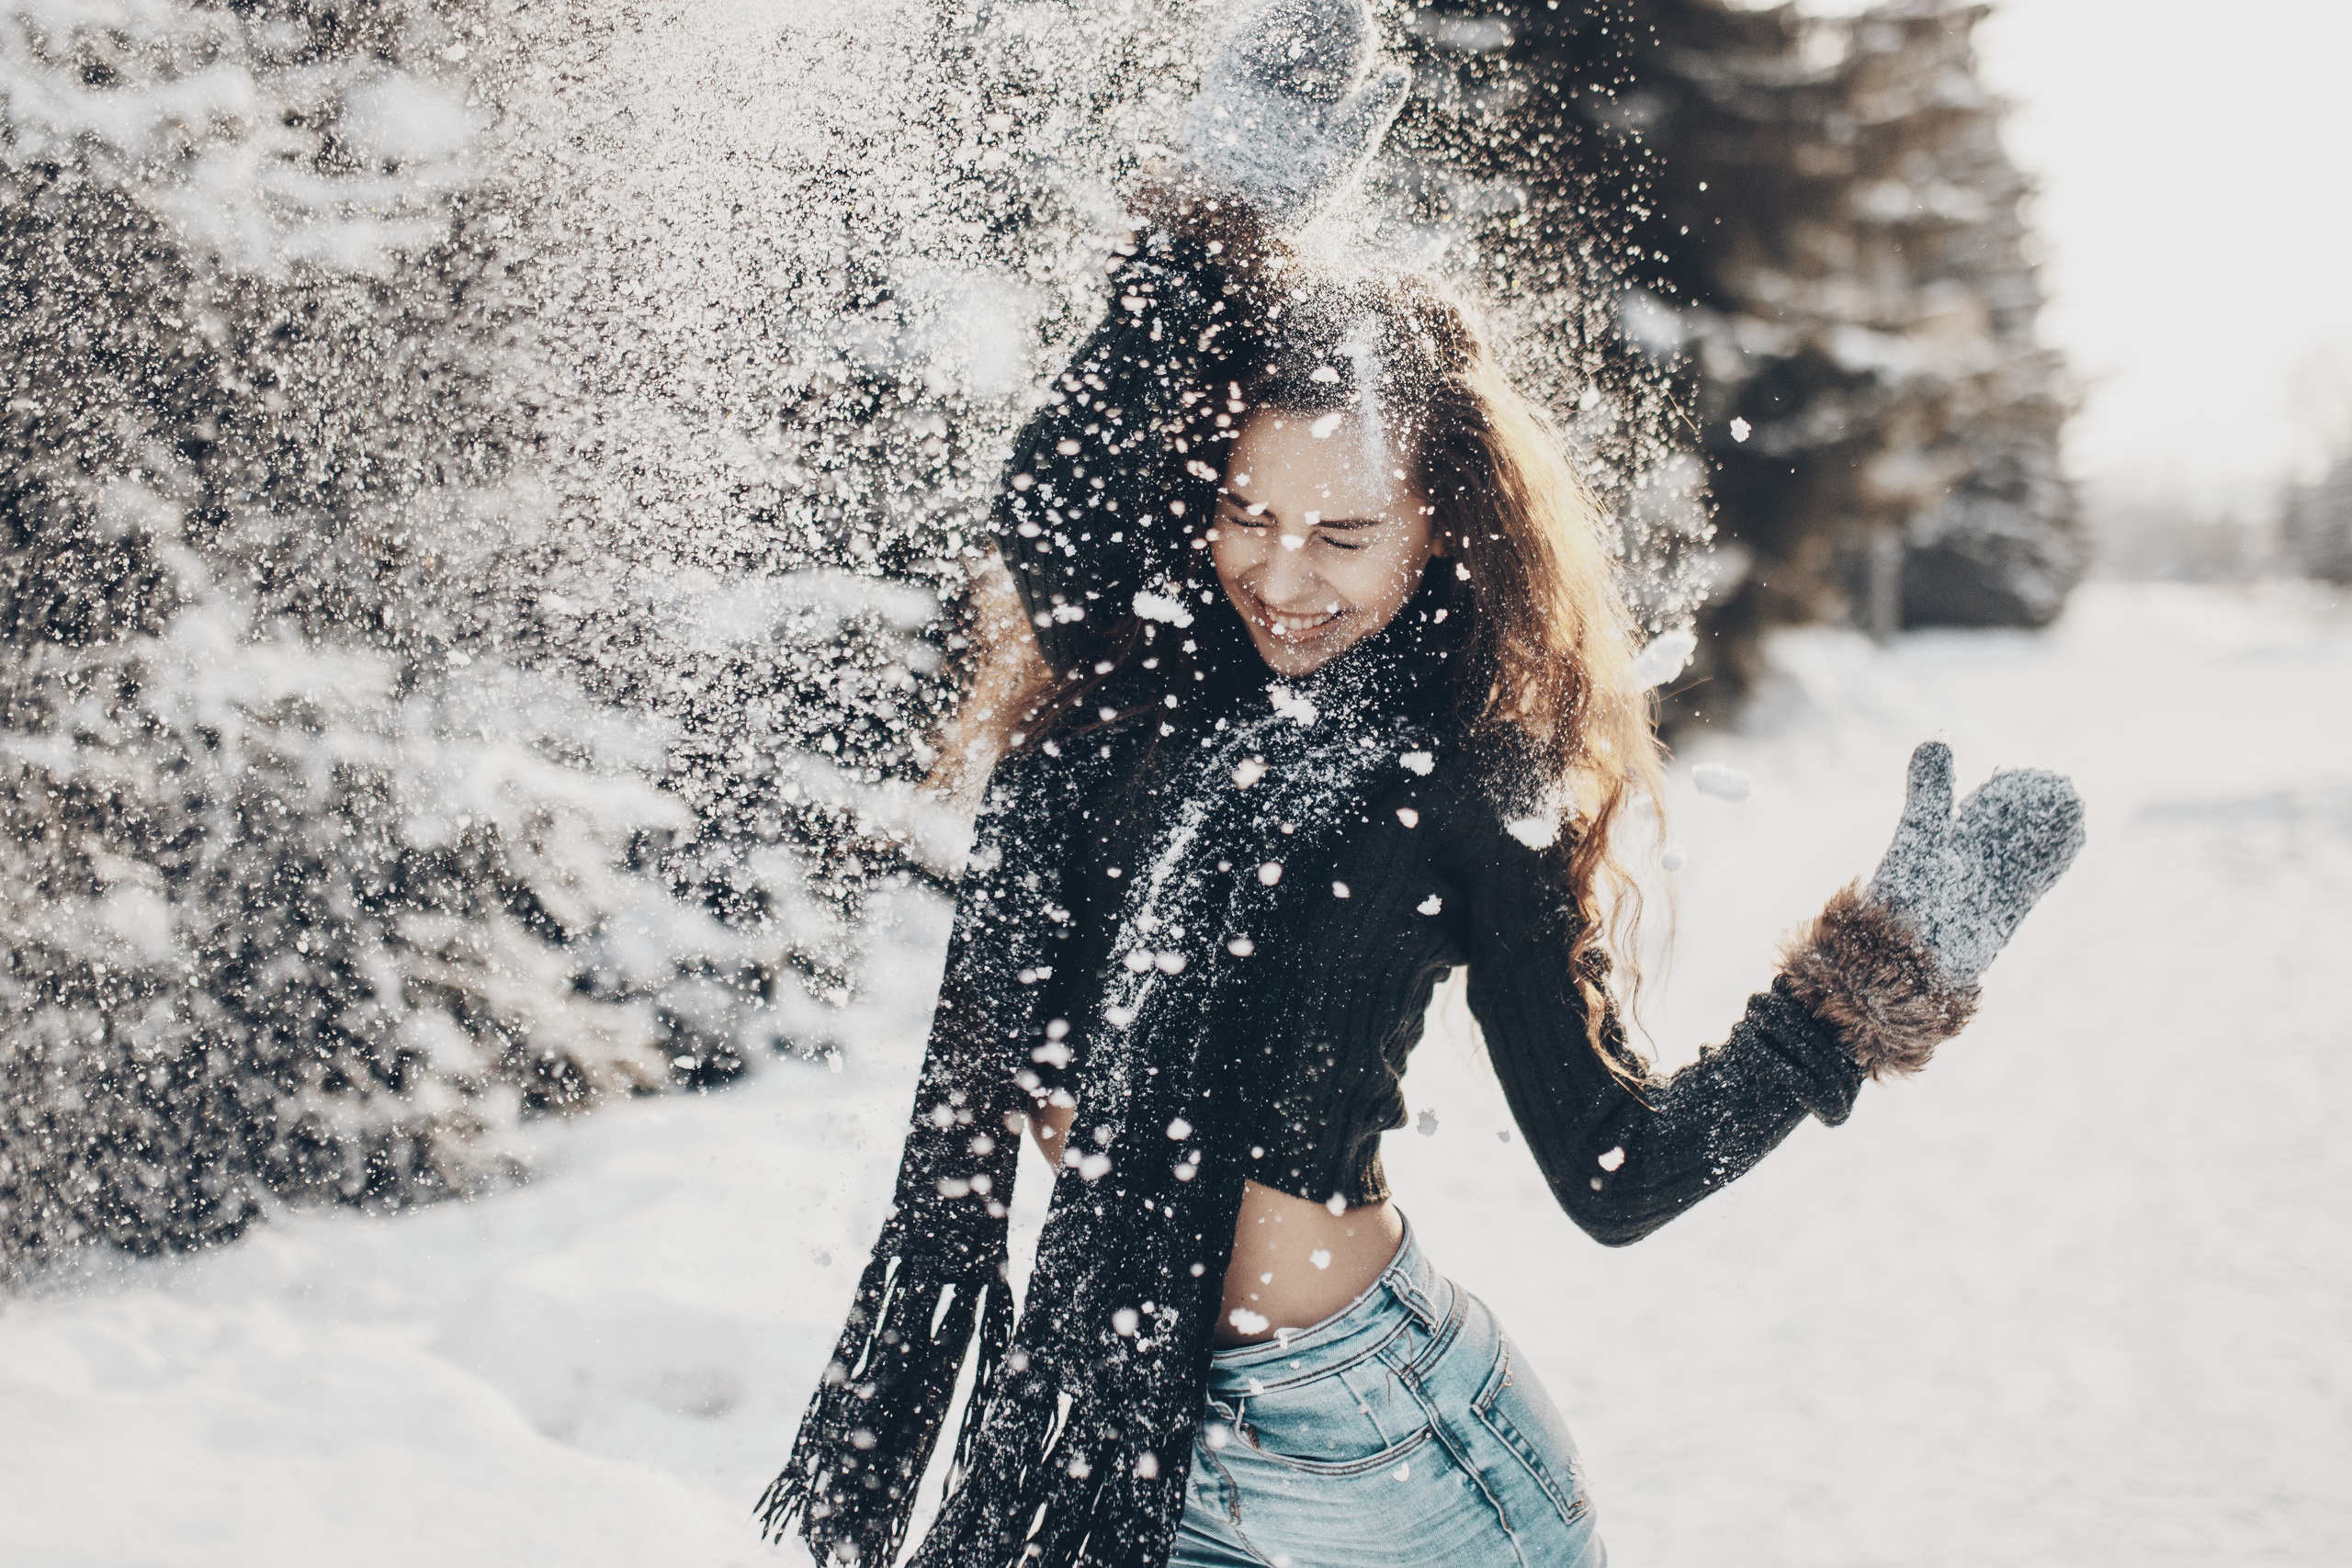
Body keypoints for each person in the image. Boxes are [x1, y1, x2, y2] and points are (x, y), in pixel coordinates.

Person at [759, 2, 2086, 1564]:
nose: (1281, 575)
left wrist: (1870, 987)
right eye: (1247, 517)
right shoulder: (1162, 683)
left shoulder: (1468, 778)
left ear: (1442, 526)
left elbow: (1615, 1170)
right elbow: (1052, 494)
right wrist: (1214, 223)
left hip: (1379, 1439)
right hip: (1123, 1416)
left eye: (1344, 534)